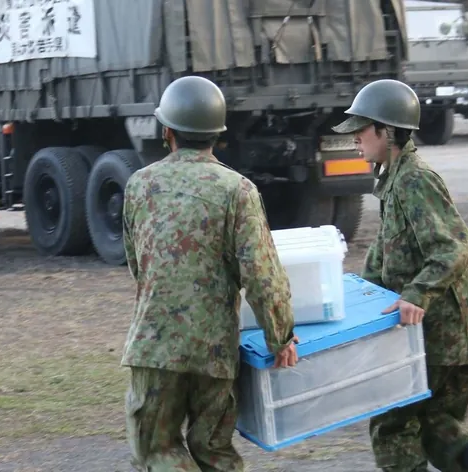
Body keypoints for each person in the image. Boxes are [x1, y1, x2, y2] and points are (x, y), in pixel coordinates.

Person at [331, 78, 468, 472]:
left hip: (446, 337)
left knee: (393, 427)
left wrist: (416, 295)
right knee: (434, 426)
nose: (354, 139)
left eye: (361, 129)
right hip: (454, 338)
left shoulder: (414, 179)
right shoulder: (395, 180)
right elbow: (387, 257)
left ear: (387, 131)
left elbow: (451, 246)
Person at [120, 75, 299, 471]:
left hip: (155, 345)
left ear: (166, 130)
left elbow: (139, 264)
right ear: (218, 135)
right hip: (214, 351)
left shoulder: (139, 185)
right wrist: (280, 336)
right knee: (214, 452)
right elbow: (262, 275)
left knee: (157, 450)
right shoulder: (238, 190)